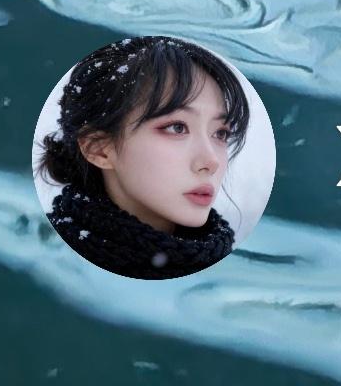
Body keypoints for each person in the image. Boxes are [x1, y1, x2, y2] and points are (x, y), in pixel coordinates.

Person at [38, 35, 250, 281]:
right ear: (98, 149)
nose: (212, 162)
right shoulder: (46, 261)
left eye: (220, 133)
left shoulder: (232, 272)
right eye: (177, 128)